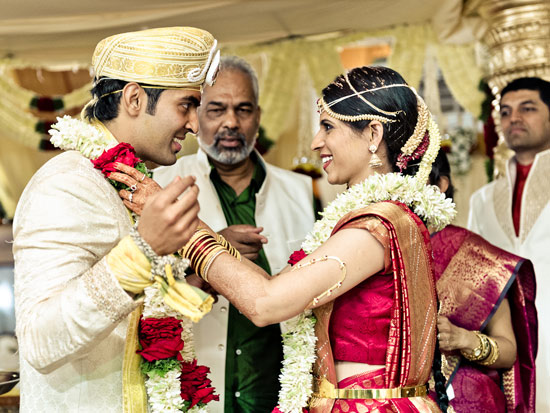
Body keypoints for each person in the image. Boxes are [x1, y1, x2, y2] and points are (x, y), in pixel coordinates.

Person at [122, 66, 455, 412]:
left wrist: (185, 227)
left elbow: (266, 303)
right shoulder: (377, 219)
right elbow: (275, 287)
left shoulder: (377, 226)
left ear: (373, 133)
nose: (315, 142)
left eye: (328, 127)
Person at [12, 27, 219, 412]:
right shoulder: (67, 184)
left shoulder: (127, 180)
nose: (195, 124)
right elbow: (39, 340)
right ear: (135, 99)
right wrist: (142, 252)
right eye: (186, 105)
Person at [152, 55, 315, 412]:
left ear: (258, 116)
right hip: (194, 390)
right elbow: (142, 294)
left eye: (243, 109)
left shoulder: (302, 191)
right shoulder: (161, 185)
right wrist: (210, 252)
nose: (231, 122)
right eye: (216, 109)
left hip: (280, 393)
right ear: (195, 115)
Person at [430, 152, 537, 412]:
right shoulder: (374, 249)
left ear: (439, 186)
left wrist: (463, 339)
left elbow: (509, 350)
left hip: (466, 401)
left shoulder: (475, 256)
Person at [468, 77, 549, 411]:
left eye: (527, 108)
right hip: (507, 341)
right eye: (505, 111)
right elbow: (475, 279)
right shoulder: (482, 200)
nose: (513, 118)